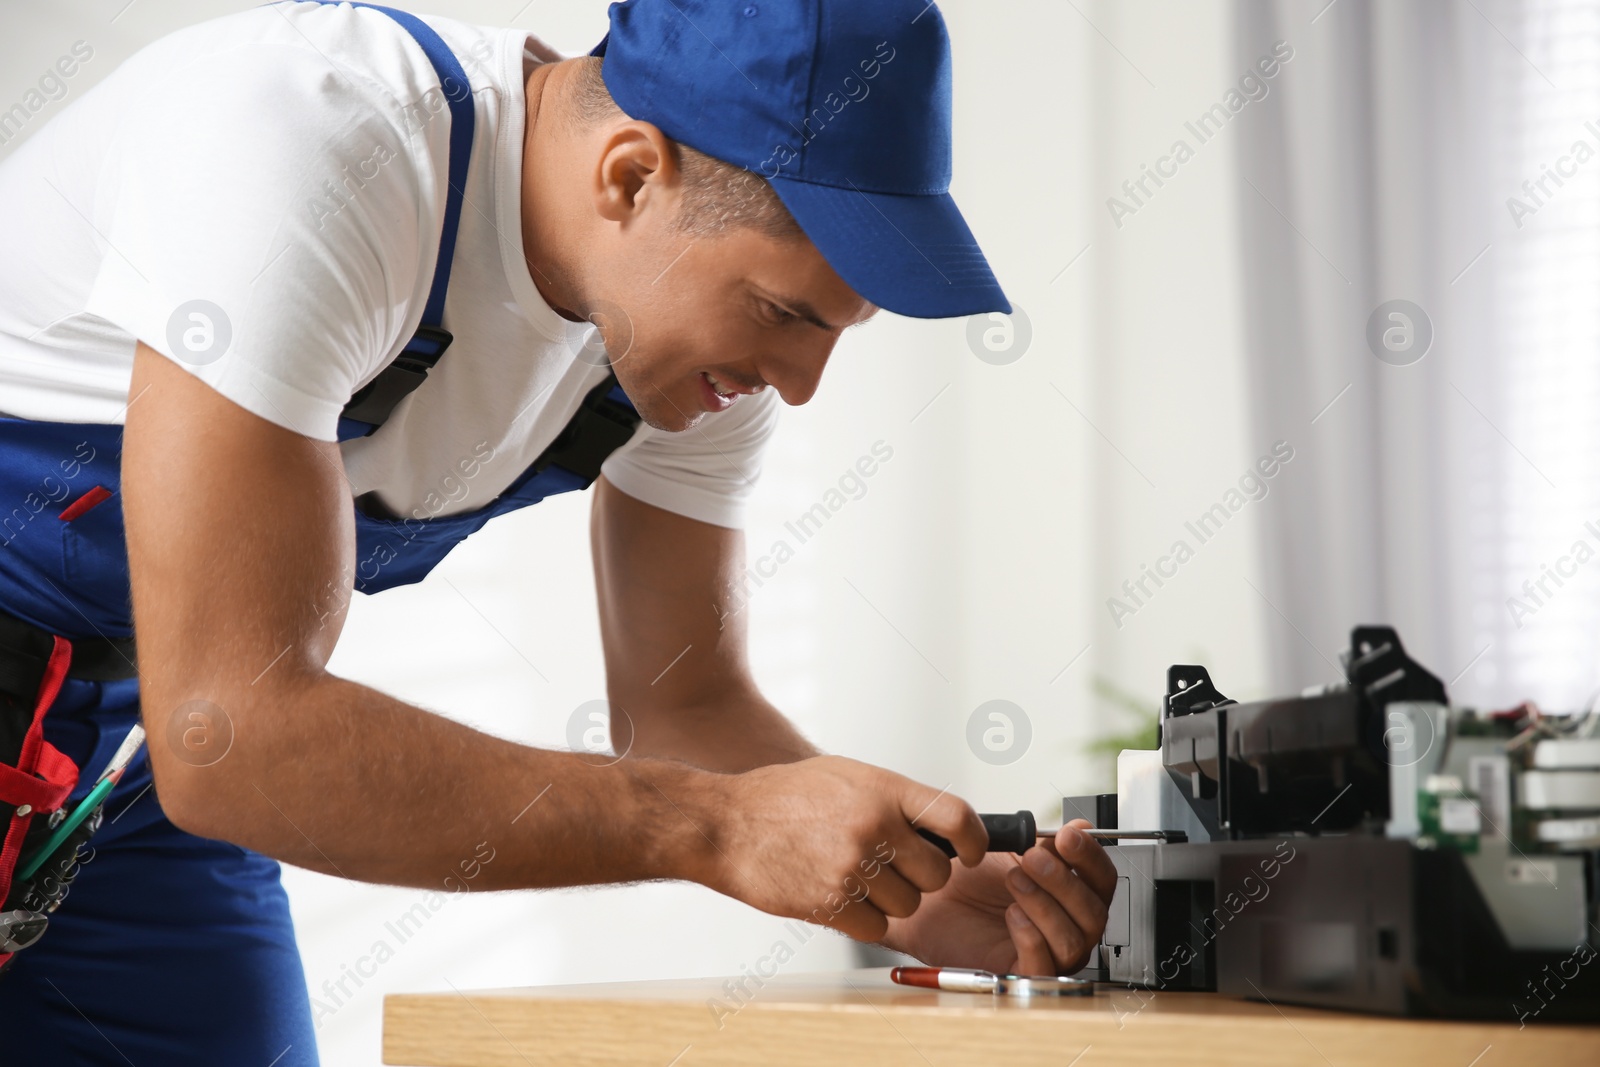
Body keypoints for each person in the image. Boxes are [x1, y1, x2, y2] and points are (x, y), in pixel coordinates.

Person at [0, 1, 1115, 1061]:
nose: (800, 382)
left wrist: (907, 887)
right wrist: (713, 826)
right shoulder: (317, 153)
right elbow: (238, 735)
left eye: (835, 328)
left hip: (133, 754)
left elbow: (685, 707)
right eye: (782, 312)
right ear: (631, 175)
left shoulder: (686, 355)